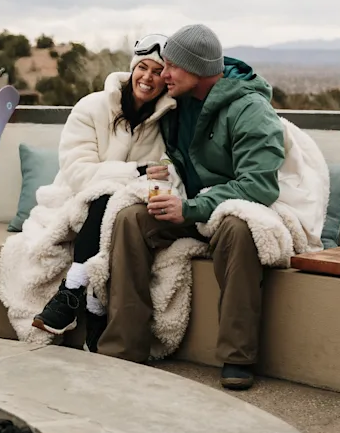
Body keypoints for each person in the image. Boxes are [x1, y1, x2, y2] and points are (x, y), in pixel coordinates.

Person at [95, 23, 289, 390]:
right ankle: (123, 348)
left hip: (230, 208)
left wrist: (194, 208)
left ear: (198, 69)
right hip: (191, 206)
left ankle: (237, 358)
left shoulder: (250, 109)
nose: (163, 73)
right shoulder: (177, 104)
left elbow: (259, 185)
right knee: (131, 218)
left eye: (170, 66)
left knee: (240, 228)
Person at [30, 34, 176, 349]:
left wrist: (137, 181)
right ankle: (78, 295)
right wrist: (134, 172)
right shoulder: (92, 106)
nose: (147, 78)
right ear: (133, 69)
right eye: (143, 68)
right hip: (75, 197)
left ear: (165, 82)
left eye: (156, 72)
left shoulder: (165, 122)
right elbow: (78, 172)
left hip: (121, 209)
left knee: (119, 204)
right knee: (106, 195)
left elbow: (163, 175)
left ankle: (85, 298)